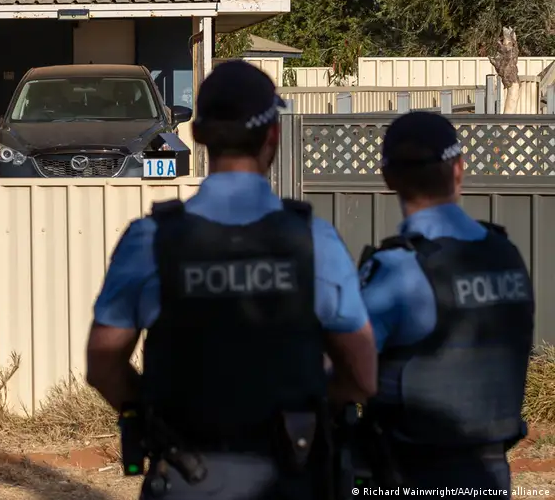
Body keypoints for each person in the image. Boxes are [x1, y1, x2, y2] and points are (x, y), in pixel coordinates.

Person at [85, 60, 378, 500]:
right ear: (273, 135)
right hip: (291, 477)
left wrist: (151, 413)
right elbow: (362, 374)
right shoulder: (313, 240)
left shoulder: (151, 240)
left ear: (198, 136)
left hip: (185, 477)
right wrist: (314, 404)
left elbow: (103, 364)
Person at [358, 112, 534, 496]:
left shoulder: (399, 269)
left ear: (388, 179)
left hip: (411, 475)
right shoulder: (507, 255)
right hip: (490, 476)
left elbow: (347, 370)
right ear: (459, 169)